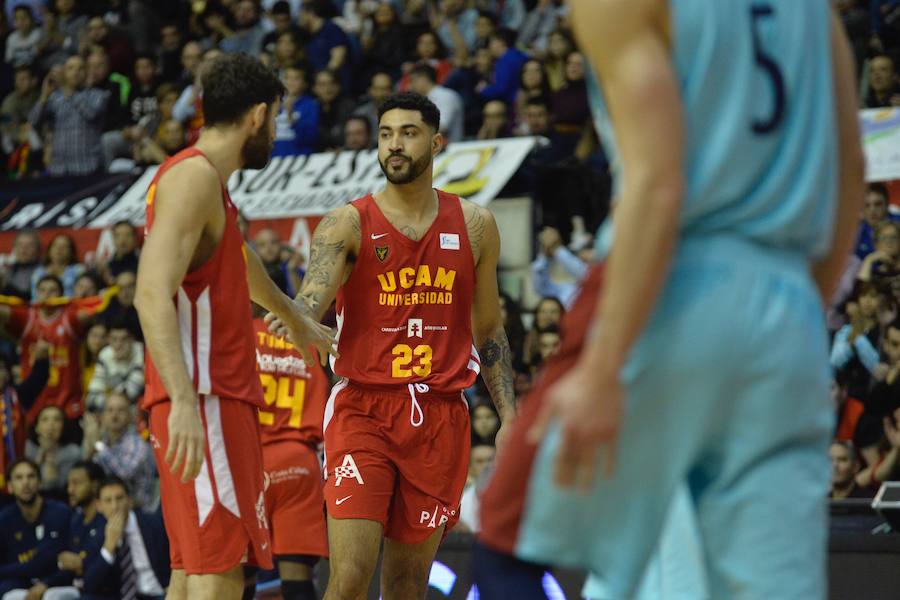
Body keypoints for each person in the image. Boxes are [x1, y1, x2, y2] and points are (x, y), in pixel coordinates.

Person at [475, 2, 864, 600]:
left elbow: (659, 183)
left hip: (673, 272)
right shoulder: (814, 12)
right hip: (788, 302)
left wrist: (604, 367)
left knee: (509, 546)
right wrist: (794, 316)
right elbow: (849, 171)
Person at [273, 91, 515, 599]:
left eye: (407, 133)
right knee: (350, 577)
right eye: (385, 135)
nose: (394, 145)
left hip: (439, 416)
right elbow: (312, 296)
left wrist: (511, 418)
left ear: (436, 141)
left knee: (407, 584)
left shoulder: (475, 226)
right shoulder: (347, 223)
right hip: (364, 410)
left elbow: (489, 330)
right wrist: (298, 317)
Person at [133, 53, 333, 600]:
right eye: (275, 121)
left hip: (209, 397)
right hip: (205, 396)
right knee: (221, 569)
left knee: (191, 569)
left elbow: (238, 260)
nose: (273, 132)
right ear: (259, 116)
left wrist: (294, 316)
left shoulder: (204, 183)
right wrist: (184, 401)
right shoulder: (193, 178)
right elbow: (150, 292)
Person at [253, 311, 330, 600]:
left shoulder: (244, 332)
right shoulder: (308, 338)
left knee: (240, 574)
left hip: (250, 462)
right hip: (298, 463)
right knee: (298, 581)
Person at [0, 275, 101, 424]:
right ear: (36, 294)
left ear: (61, 295)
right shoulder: (26, 317)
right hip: (33, 401)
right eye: (42, 290)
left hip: (68, 402)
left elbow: (94, 311)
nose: (47, 294)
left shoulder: (70, 317)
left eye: (53, 290)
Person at [82, 477, 170, 600]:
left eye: (119, 498)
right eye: (108, 501)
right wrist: (108, 548)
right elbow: (89, 584)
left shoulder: (153, 524)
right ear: (99, 506)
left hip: (159, 593)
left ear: (129, 500)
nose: (115, 506)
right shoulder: (96, 535)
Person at [29, 55, 110, 176]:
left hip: (88, 167)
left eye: (80, 68)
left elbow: (91, 114)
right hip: (59, 168)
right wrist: (44, 96)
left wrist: (66, 89)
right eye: (71, 68)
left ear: (86, 72)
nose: (75, 72)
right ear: (65, 73)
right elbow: (34, 121)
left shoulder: (98, 95)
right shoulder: (54, 97)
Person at [0, 459, 71, 597]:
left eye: (31, 476)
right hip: (19, 580)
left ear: (40, 482)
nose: (25, 482)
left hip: (56, 580)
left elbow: (49, 561)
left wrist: (47, 583)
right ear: (9, 486)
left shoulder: (60, 512)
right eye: (19, 478)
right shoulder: (4, 519)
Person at [37, 461, 107, 600]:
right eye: (69, 484)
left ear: (95, 485)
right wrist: (46, 584)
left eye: (77, 483)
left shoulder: (105, 518)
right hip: (74, 585)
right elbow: (66, 564)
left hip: (101, 589)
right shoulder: (75, 519)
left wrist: (82, 563)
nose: (70, 490)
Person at [82, 390, 156, 510]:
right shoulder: (103, 442)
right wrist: (89, 443)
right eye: (110, 410)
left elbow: (122, 475)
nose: (114, 415)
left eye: (120, 410)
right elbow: (87, 474)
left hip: (137, 513)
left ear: (131, 416)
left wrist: (97, 444)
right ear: (102, 416)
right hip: (107, 510)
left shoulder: (138, 444)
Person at [85, 320, 144, 411]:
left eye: (123, 339)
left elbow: (130, 393)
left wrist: (107, 401)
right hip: (115, 411)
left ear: (132, 339)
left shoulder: (141, 352)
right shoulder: (105, 355)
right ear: (108, 340)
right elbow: (92, 397)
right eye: (114, 339)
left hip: (140, 411)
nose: (118, 345)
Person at [25, 406, 81, 499]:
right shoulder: (29, 448)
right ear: (37, 427)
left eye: (57, 419)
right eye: (45, 419)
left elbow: (53, 486)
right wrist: (41, 452)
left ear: (63, 426)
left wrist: (49, 455)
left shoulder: (72, 452)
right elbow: (28, 481)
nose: (51, 424)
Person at [408, 63, 464, 144]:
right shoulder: (423, 100)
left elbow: (441, 127)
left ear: (423, 79)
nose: (411, 86)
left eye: (413, 81)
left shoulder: (445, 95)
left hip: (450, 150)